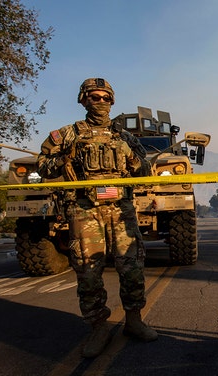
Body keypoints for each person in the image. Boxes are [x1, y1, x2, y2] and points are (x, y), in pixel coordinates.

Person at [37, 78, 157, 358]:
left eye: (105, 98)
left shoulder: (125, 137)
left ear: (112, 101)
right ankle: (98, 327)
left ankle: (134, 320)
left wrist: (131, 157)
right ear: (83, 100)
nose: (100, 102)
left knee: (132, 267)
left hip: (121, 210)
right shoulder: (67, 135)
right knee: (88, 271)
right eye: (94, 97)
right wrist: (66, 157)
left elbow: (145, 171)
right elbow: (43, 166)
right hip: (85, 210)